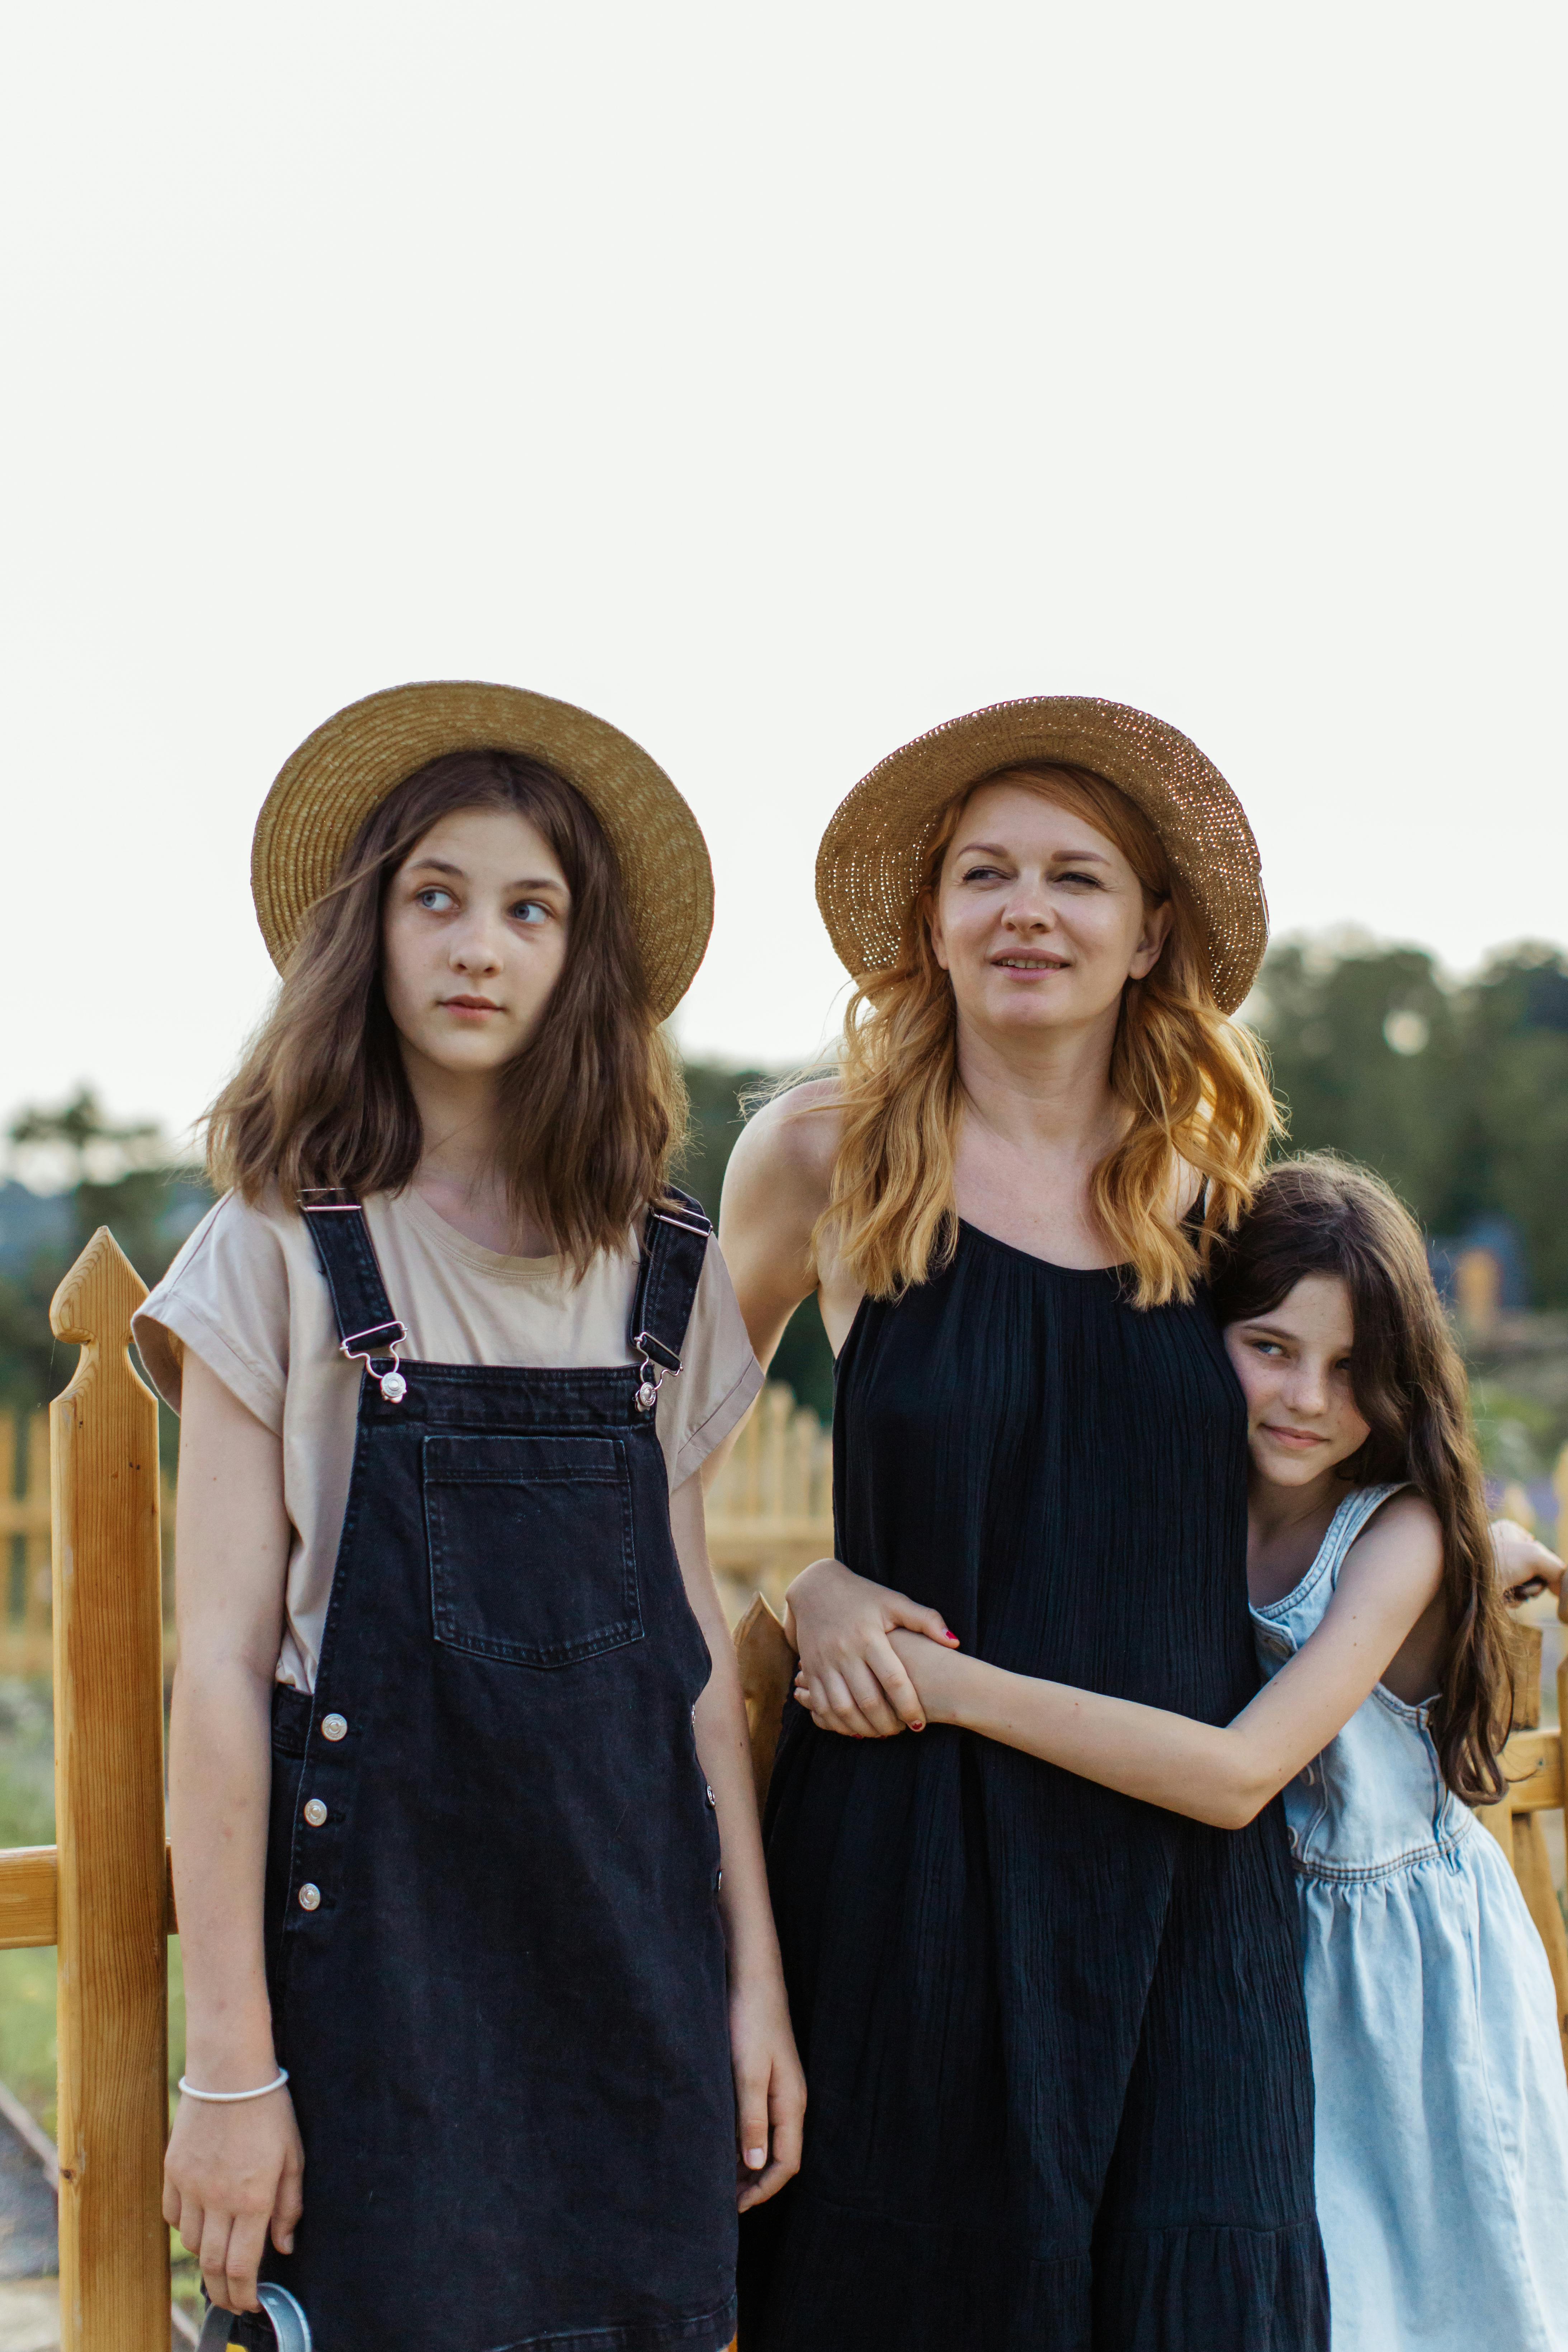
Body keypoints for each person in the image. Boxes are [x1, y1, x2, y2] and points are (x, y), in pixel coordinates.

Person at [138, 683, 805, 2351]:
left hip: (630, 1967)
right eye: (436, 895)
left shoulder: (666, 1273)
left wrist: (754, 1989)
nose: (478, 945)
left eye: (531, 908)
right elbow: (217, 1672)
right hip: (371, 1983)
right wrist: (231, 2065)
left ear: (584, 961)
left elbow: (690, 1667)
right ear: (367, 928)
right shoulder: (281, 1250)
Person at [721, 697, 1328, 2349]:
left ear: (1148, 935)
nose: (1025, 909)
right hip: (906, 1866)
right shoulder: (824, 1157)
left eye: (1075, 876)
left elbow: (1338, 1482)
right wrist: (810, 1582)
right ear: (930, 921)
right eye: (983, 872)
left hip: (1177, 1878)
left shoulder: (1231, 1213)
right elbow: (633, 1476)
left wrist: (1476, 1558)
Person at [841, 1153, 1568, 2351]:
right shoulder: (1175, 1499)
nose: (1306, 1402)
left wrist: (953, 1687)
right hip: (1233, 1954)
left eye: (1351, 1371)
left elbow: (1238, 1777)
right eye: (1269, 1348)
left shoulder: (1397, 1535)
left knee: (1413, 2311)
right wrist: (825, 1587)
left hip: (1400, 1976)